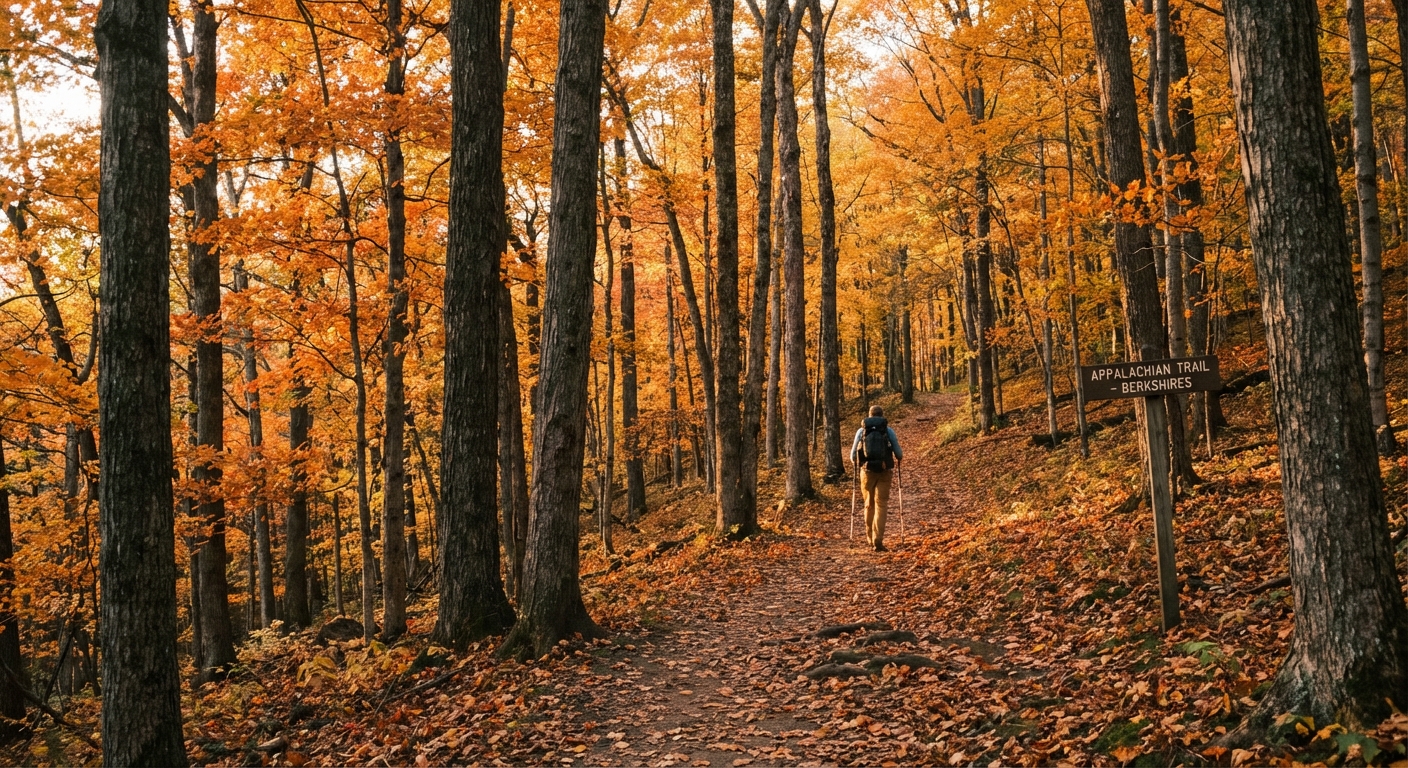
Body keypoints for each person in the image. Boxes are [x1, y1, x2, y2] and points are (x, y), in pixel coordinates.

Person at [850, 405, 902, 551]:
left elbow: (853, 456)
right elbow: (899, 453)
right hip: (885, 471)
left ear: (870, 415)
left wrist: (860, 462)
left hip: (867, 472)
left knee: (869, 504)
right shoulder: (888, 430)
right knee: (881, 505)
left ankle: (869, 538)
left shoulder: (861, 431)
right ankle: (878, 539)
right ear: (882, 415)